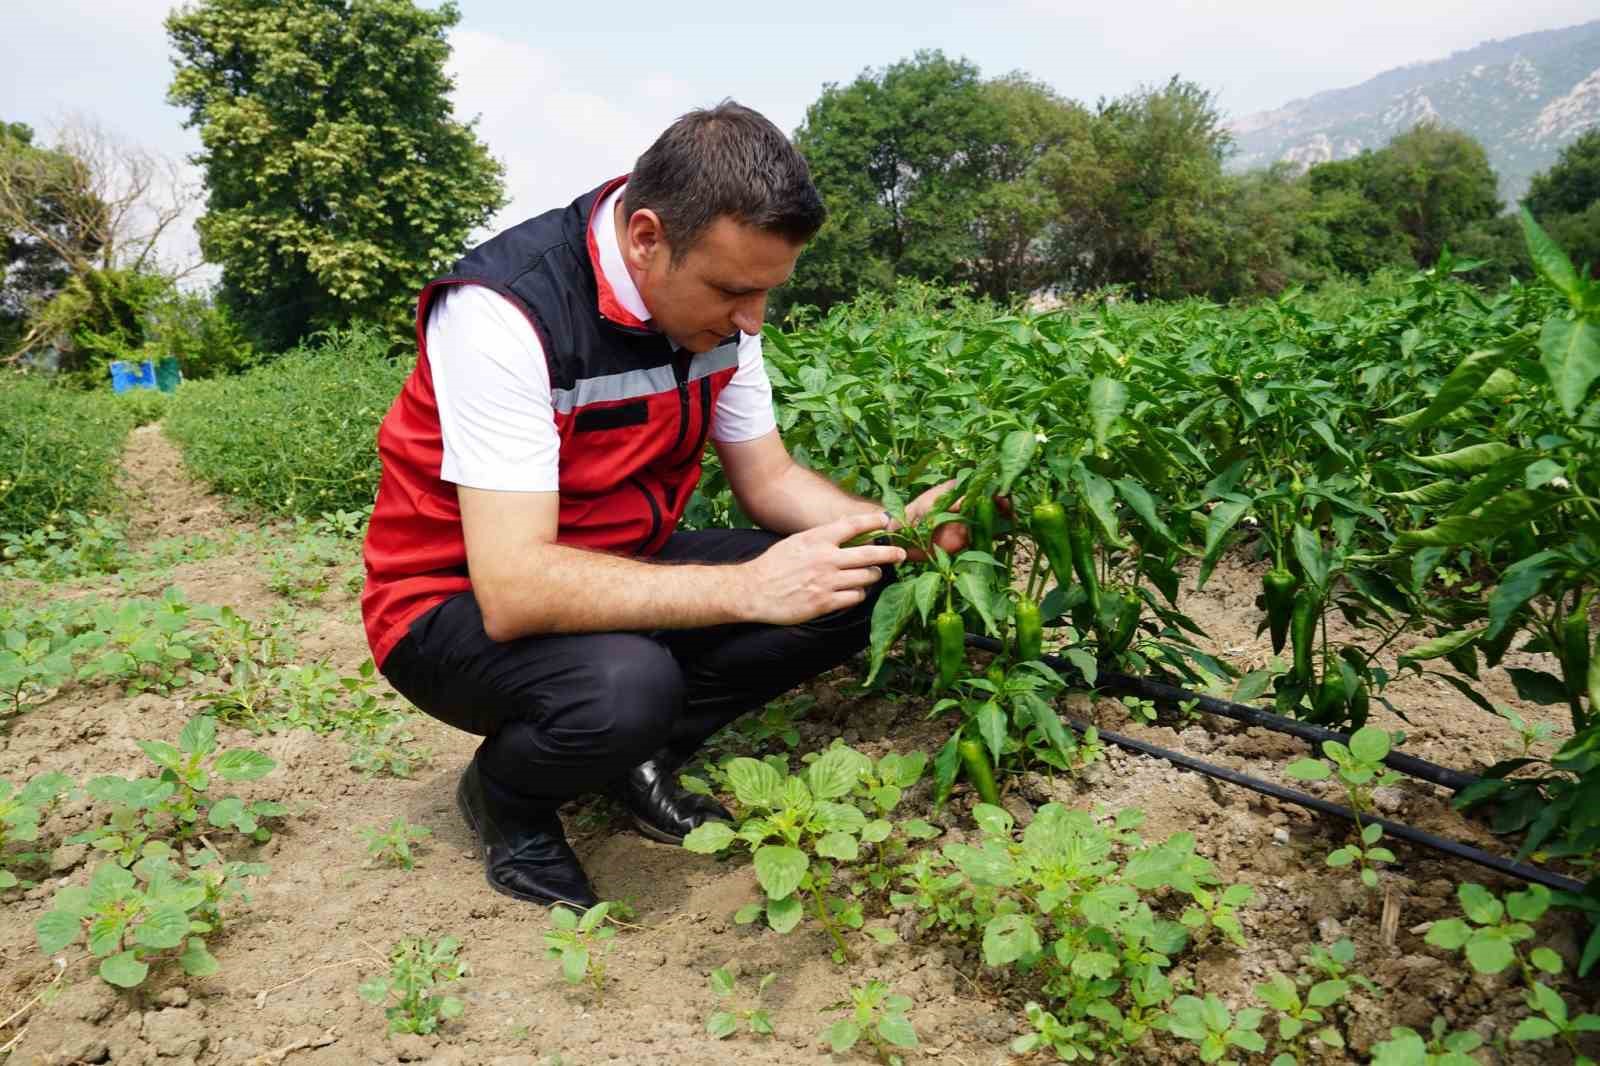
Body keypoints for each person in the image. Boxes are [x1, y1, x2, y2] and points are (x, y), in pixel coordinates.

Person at [360, 101, 963, 909]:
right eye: (732, 292)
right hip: (449, 600)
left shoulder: (722, 316)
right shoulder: (505, 313)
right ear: (646, 238)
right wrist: (747, 589)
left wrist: (898, 533)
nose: (751, 321)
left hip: (623, 564)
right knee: (624, 686)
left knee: (860, 574)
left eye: (765, 296)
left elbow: (770, 479)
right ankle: (510, 801)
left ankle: (637, 757)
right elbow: (513, 589)